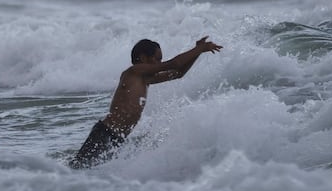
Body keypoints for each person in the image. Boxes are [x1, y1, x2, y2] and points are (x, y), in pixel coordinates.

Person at [69, 36, 222, 169]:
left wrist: (198, 52)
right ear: (143, 58)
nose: (160, 63)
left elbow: (178, 73)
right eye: (157, 59)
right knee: (78, 169)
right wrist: (199, 48)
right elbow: (174, 64)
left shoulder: (145, 78)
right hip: (104, 134)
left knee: (92, 174)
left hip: (117, 139)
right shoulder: (133, 72)